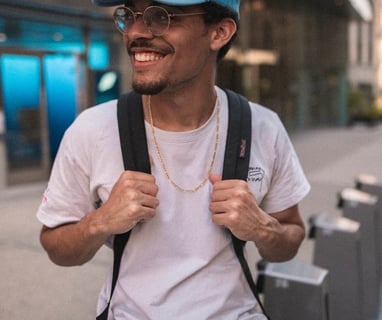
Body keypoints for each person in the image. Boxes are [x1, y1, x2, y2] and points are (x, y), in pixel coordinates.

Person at [37, 0, 310, 319]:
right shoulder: (91, 129)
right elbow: (57, 248)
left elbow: (290, 239)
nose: (136, 32)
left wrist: (262, 228)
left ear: (219, 32)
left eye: (160, 16)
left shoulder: (263, 128)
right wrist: (100, 221)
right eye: (129, 15)